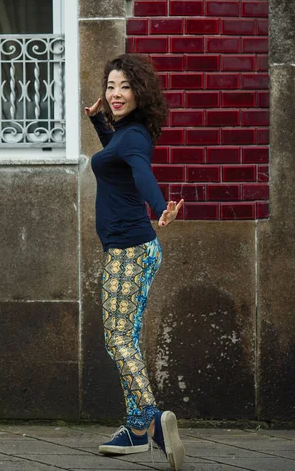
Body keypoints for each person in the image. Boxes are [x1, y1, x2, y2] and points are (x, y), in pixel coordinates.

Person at [84, 53, 185, 471]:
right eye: (111, 86)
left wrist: (160, 207)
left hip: (130, 251)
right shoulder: (124, 133)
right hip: (130, 250)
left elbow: (141, 172)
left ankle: (152, 421)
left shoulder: (136, 137)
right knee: (127, 337)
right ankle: (135, 431)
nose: (115, 93)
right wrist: (98, 121)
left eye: (124, 86)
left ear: (140, 92)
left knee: (117, 340)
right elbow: (116, 155)